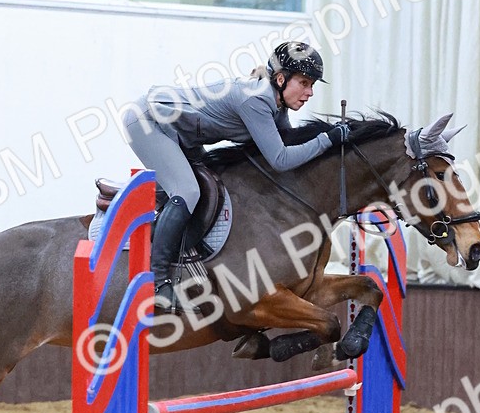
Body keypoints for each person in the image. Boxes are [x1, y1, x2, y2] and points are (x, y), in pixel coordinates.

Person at [123, 41, 349, 310]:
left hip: (180, 131)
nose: (309, 92)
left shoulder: (277, 105)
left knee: (207, 184)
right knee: (188, 190)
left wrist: (332, 141)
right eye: (304, 83)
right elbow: (280, 159)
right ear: (281, 79)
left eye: (311, 85)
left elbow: (289, 144)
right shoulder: (257, 100)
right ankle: (158, 282)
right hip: (148, 121)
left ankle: (177, 248)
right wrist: (327, 140)